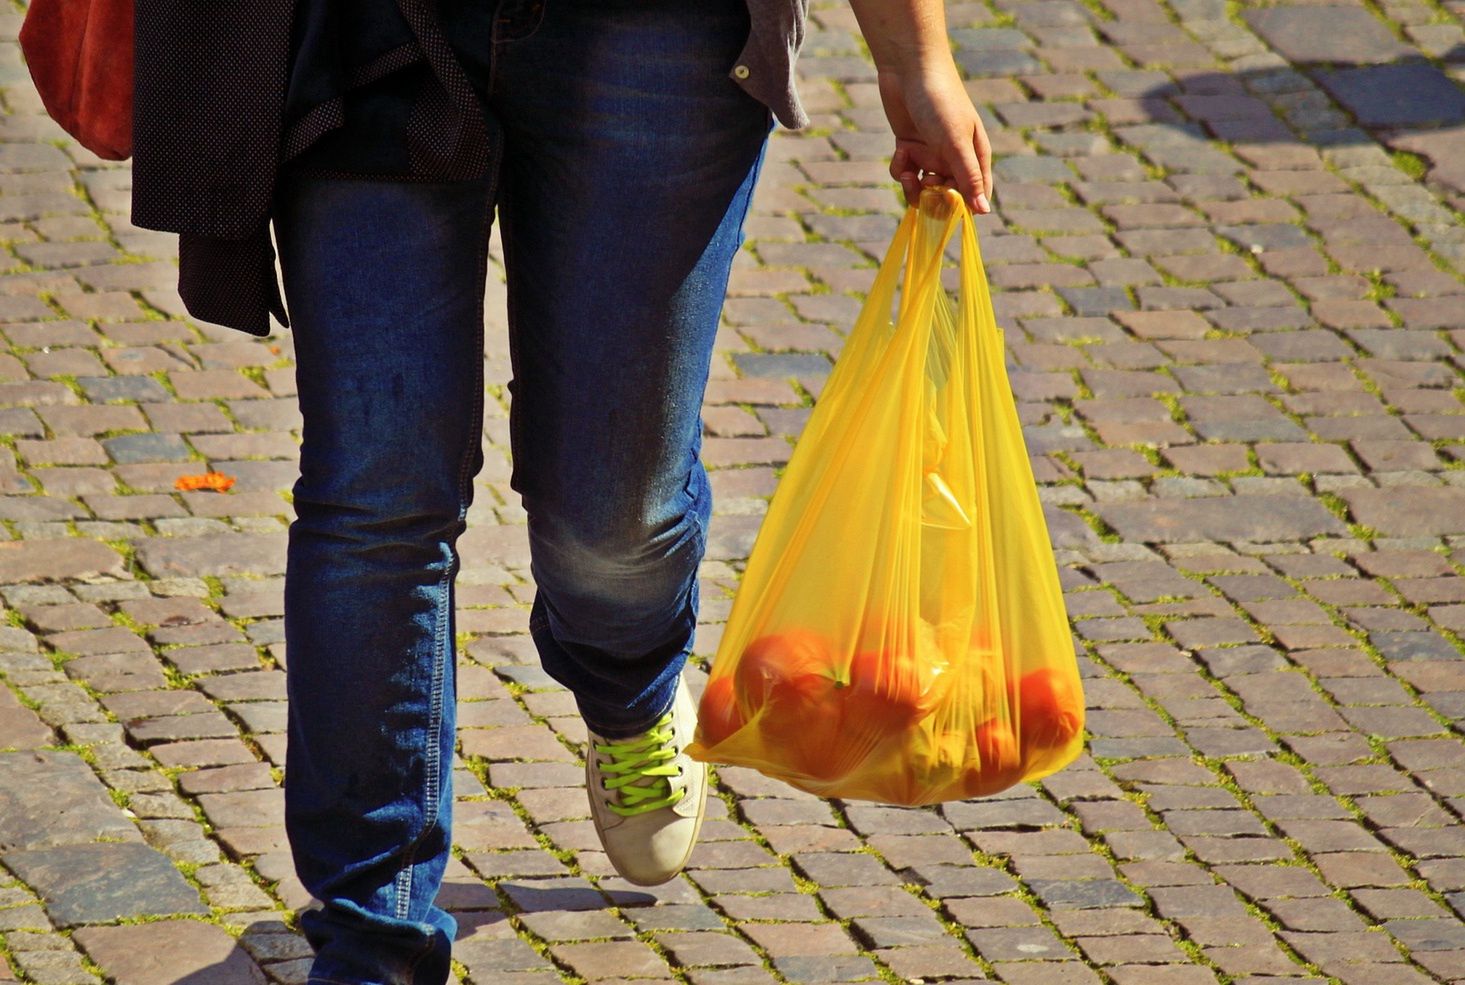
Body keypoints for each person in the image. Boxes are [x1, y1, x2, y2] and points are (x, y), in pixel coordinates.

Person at [128, 0, 993, 982]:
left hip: (654, 36)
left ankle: (627, 689)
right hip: (364, 24)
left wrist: (914, 57)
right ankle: (375, 938)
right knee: (375, 494)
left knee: (612, 519)